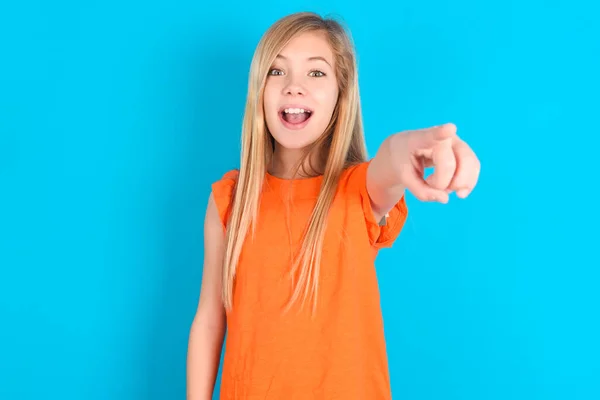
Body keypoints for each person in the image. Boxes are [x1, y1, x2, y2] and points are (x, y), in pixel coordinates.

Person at [186, 11, 480, 400]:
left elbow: (390, 160)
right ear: (258, 89)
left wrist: (414, 148)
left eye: (316, 73)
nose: (294, 87)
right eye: (277, 72)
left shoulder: (357, 189)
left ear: (342, 94)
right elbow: (209, 318)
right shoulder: (230, 198)